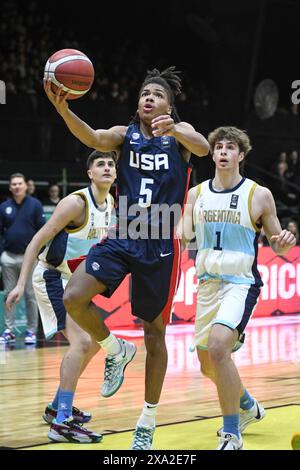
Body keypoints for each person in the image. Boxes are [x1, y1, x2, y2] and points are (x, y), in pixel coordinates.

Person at [44, 66, 209, 450]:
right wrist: (65, 110)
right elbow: (94, 136)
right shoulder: (125, 136)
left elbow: (202, 145)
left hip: (160, 245)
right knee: (74, 297)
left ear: (169, 104)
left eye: (157, 94)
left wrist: (176, 128)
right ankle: (117, 350)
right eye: (144, 94)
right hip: (124, 234)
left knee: (155, 334)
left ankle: (147, 421)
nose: (148, 98)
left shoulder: (180, 139)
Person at [178, 126, 296, 450]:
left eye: (231, 147)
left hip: (241, 283)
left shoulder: (258, 194)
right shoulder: (196, 195)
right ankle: (246, 405)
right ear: (213, 154)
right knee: (207, 364)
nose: (223, 152)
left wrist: (285, 240)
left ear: (241, 156)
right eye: (219, 147)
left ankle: (231, 434)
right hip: (206, 284)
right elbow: (180, 236)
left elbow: (278, 242)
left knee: (219, 348)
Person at [6, 151, 120, 443]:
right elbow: (37, 240)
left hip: (76, 282)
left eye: (111, 164)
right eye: (100, 165)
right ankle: (62, 422)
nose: (107, 168)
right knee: (82, 341)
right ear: (90, 173)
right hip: (51, 277)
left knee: (94, 340)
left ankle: (58, 405)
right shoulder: (76, 203)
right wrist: (20, 284)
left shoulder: (111, 204)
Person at [0, 173, 45, 344]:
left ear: (26, 186)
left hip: (31, 258)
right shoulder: (4, 207)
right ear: (10, 187)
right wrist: (1, 254)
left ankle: (31, 331)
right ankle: (9, 330)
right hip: (8, 258)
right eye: (14, 184)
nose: (17, 186)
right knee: (8, 294)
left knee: (30, 295)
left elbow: (42, 232)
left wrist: (39, 255)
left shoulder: (35, 205)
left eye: (20, 183)